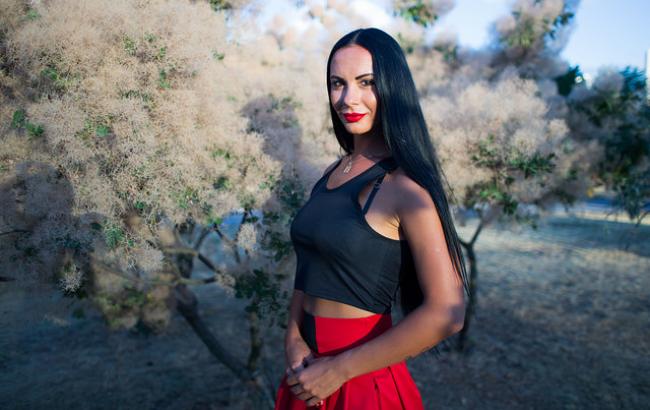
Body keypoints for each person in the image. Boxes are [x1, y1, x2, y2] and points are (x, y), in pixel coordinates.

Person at [273, 27, 470, 409]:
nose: (348, 98)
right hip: (307, 372)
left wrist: (339, 370)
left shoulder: (404, 188)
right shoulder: (333, 172)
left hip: (361, 379)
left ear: (392, 87)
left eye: (367, 82)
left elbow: (448, 313)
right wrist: (292, 337)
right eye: (338, 83)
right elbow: (310, 265)